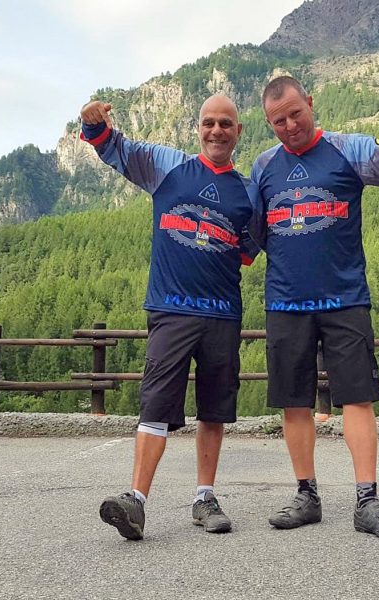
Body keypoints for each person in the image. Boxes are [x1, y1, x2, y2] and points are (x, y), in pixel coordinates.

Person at [250, 76, 379, 541]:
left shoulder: (347, 149)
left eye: (296, 113)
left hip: (345, 299)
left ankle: (367, 501)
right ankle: (306, 496)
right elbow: (248, 234)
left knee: (357, 398)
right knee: (294, 403)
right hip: (285, 303)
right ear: (268, 123)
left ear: (310, 102)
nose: (290, 125)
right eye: (279, 121)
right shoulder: (263, 167)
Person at [80, 95, 262, 540]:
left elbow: (246, 252)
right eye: (209, 122)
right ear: (198, 127)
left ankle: (205, 498)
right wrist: (92, 124)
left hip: (222, 314)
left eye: (226, 124)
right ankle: (136, 502)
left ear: (238, 131)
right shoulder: (168, 166)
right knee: (156, 404)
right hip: (171, 310)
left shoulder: (250, 193)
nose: (216, 130)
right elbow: (114, 147)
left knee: (214, 410)